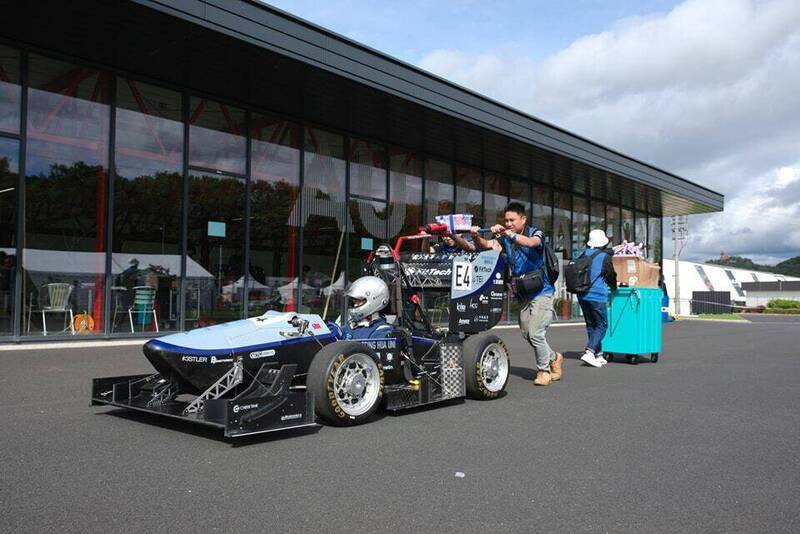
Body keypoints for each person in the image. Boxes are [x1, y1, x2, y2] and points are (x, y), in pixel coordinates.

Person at [471, 202, 563, 386]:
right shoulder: (504, 238)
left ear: (523, 219)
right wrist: (476, 236)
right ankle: (554, 357)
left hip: (542, 290)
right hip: (523, 292)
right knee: (527, 333)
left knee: (536, 333)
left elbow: (531, 243)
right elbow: (487, 245)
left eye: (512, 220)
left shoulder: (535, 232)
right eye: (506, 220)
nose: (509, 223)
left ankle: (543, 371)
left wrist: (508, 233)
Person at [576, 229, 617, 368]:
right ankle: (590, 351)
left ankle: (598, 354)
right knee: (602, 325)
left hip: (582, 294)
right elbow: (611, 274)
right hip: (597, 295)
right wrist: (614, 288)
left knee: (592, 324)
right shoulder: (604, 257)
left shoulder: (582, 254)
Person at [340, 275, 393, 340]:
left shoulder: (382, 331)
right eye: (354, 301)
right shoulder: (352, 325)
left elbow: (362, 349)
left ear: (374, 300)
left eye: (359, 301)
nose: (355, 305)